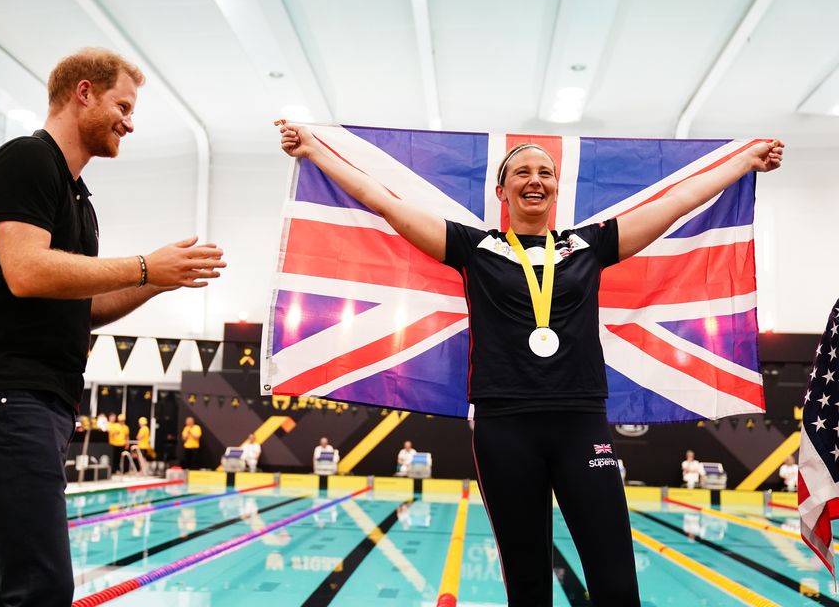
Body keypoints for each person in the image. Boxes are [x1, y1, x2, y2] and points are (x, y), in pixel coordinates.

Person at [280, 121, 783, 606]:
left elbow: (675, 203)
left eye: (545, 173)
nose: (535, 180)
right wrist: (314, 151)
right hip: (504, 427)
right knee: (527, 584)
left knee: (615, 582)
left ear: (556, 190)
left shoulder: (590, 245)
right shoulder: (476, 249)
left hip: (581, 422)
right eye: (521, 172)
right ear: (502, 191)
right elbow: (386, 203)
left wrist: (743, 161)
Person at [0, 47, 226, 607]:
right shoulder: (25, 159)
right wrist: (145, 265)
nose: (130, 121)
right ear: (84, 92)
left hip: (42, 398)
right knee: (44, 586)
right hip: (6, 391)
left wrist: (158, 281)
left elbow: (84, 305)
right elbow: (25, 271)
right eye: (123, 104)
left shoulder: (80, 201)